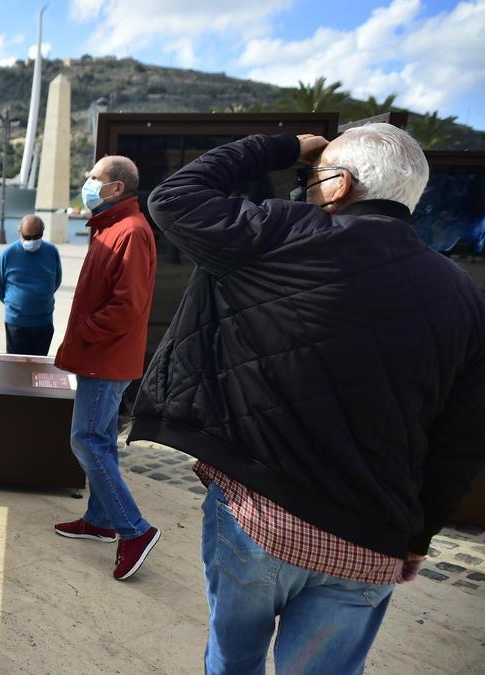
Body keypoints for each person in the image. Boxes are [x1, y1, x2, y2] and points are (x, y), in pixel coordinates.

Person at [129, 124, 485, 673]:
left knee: (233, 660)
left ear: (339, 185)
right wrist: (419, 536)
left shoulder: (286, 233)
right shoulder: (463, 294)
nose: (307, 189)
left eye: (312, 180)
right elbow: (461, 438)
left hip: (261, 517)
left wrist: (289, 145)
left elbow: (174, 197)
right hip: (372, 540)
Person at [53, 155, 160, 581]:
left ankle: (135, 530)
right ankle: (99, 520)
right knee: (100, 440)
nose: (87, 182)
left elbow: (126, 306)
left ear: (116, 187)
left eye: (94, 177)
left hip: (104, 358)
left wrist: (84, 334)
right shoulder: (114, 227)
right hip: (101, 355)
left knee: (86, 442)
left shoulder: (129, 231)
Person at [0, 215, 63, 355]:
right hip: (16, 324)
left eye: (36, 237)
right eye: (27, 237)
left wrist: (41, 299)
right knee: (16, 368)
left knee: (38, 366)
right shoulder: (8, 254)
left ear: (42, 232)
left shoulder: (52, 251)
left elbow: (57, 280)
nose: (31, 241)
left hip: (44, 323)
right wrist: (14, 304)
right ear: (20, 232)